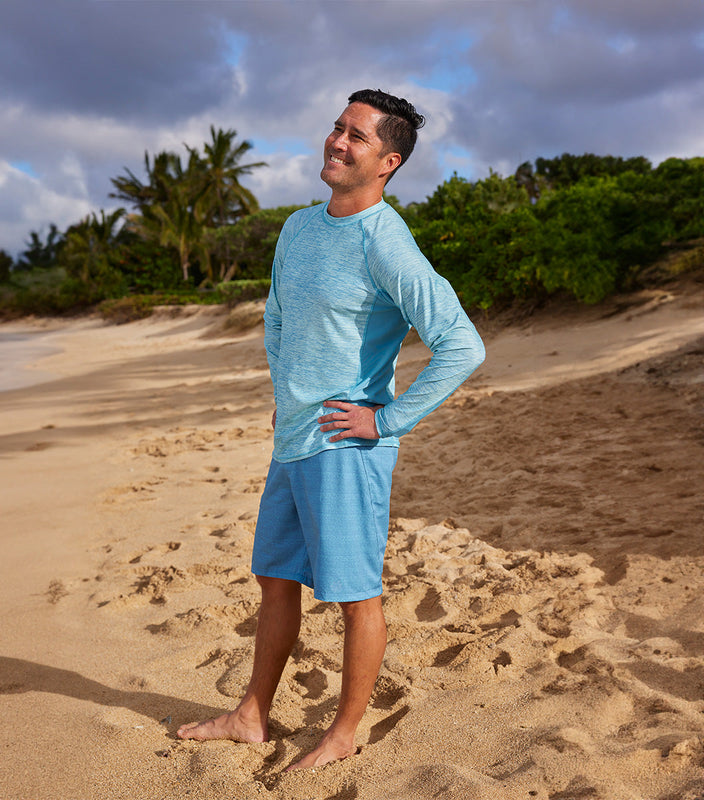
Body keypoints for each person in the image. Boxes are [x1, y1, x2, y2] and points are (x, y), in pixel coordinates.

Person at [178, 89, 485, 770]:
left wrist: (387, 418)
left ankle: (343, 734)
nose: (337, 142)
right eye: (337, 128)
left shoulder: (387, 242)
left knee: (353, 596)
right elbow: (277, 317)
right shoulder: (298, 228)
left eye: (357, 137)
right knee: (274, 578)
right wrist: (288, 392)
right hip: (295, 437)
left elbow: (462, 344)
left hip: (348, 447)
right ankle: (251, 715)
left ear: (388, 161)